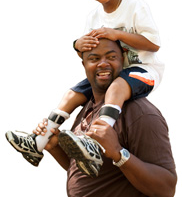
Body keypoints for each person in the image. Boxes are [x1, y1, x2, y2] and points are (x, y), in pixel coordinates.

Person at [5, 0, 164, 173]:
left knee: (117, 86)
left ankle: (96, 142)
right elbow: (89, 53)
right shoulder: (93, 17)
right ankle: (38, 142)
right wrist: (77, 44)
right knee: (72, 95)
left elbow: (154, 44)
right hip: (108, 72)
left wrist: (117, 33)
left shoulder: (135, 7)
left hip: (141, 70)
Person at [34, 38, 177, 197]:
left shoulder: (140, 113)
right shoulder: (87, 108)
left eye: (111, 57)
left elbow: (167, 188)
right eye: (94, 59)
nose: (103, 63)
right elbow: (90, 171)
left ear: (122, 61)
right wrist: (55, 147)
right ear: (84, 65)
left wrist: (118, 152)